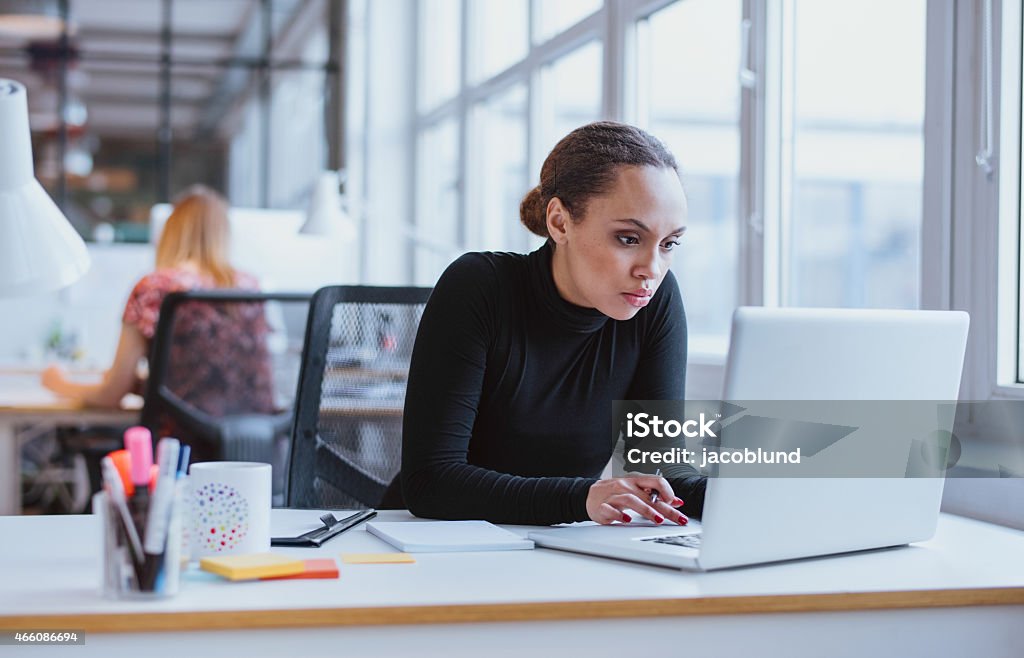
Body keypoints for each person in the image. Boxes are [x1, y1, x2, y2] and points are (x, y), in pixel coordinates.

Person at [400, 121, 705, 526]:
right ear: (560, 222)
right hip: (436, 547)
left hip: (558, 548)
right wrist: (581, 499)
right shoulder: (479, 287)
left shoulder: (656, 303)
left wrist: (782, 495)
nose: (652, 269)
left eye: (669, 244)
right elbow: (430, 482)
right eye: (629, 239)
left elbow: (667, 474)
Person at [42, 186, 274, 460]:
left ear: (171, 233)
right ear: (224, 235)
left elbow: (111, 393)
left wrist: (58, 382)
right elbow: (220, 380)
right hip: (254, 453)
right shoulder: (250, 288)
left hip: (179, 455)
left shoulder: (155, 287)